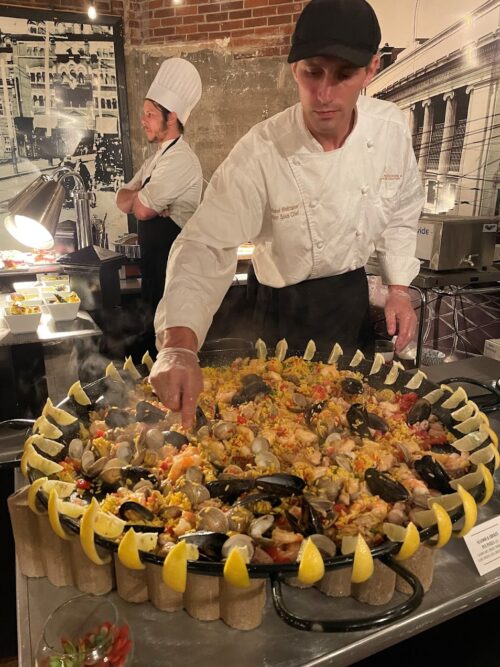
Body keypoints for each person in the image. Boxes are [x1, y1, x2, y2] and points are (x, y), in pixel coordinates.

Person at [149, 0, 425, 427]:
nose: (325, 94)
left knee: (355, 430)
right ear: (293, 68)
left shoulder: (389, 130)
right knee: (278, 431)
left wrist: (399, 288)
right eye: (313, 72)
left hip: (349, 304)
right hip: (279, 310)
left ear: (370, 70)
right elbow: (204, 244)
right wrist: (179, 345)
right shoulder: (260, 152)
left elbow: (403, 208)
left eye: (344, 75)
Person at [116, 57, 203, 317]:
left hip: (175, 276)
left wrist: (141, 197)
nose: (144, 120)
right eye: (145, 114)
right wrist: (145, 197)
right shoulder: (156, 159)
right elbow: (122, 200)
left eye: (151, 114)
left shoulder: (181, 159)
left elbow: (141, 211)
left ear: (172, 116)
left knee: (168, 347)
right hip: (155, 272)